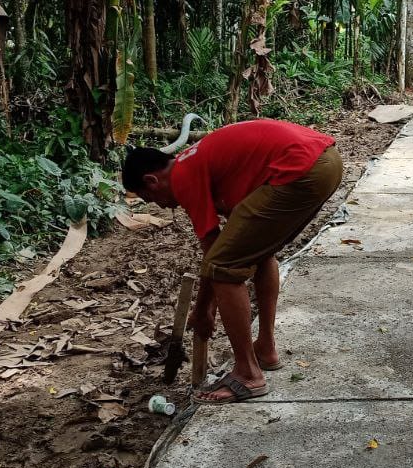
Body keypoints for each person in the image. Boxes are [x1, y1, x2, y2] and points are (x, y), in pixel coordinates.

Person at [122, 120, 343, 403]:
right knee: (259, 253)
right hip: (326, 161)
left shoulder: (183, 176)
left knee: (224, 268)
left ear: (152, 181)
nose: (162, 206)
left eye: (150, 198)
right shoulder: (196, 162)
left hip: (302, 168)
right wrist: (206, 306)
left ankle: (248, 374)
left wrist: (203, 310)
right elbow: (230, 245)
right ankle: (265, 349)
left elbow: (214, 257)